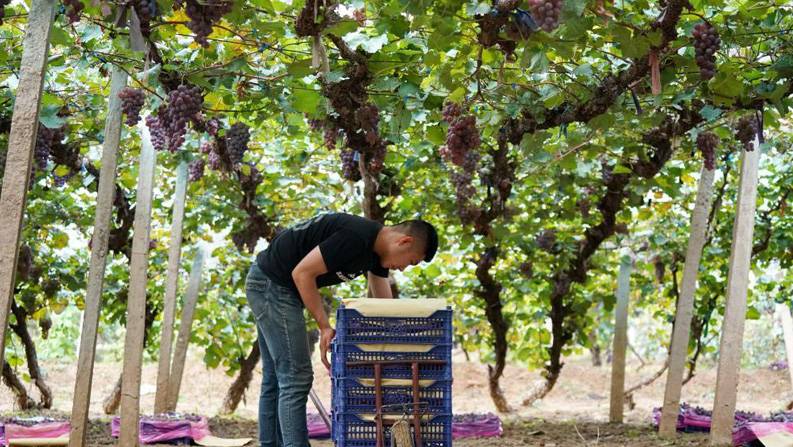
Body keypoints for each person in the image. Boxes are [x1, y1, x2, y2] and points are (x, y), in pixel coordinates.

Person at [245, 212, 438, 447]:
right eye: (412, 261)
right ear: (404, 241)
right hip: (272, 286)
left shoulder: (376, 252)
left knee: (277, 377)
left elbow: (386, 307)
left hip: (271, 284)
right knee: (296, 377)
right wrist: (324, 327)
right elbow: (302, 273)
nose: (405, 268)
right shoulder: (356, 237)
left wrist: (399, 343)